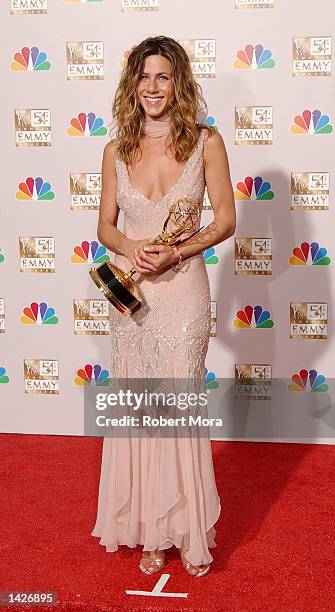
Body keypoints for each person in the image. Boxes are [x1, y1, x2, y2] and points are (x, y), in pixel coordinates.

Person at [91, 35, 236, 577]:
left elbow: (224, 219)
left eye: (163, 77)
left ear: (179, 83)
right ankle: (152, 530)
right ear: (133, 85)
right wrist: (131, 247)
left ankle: (187, 528)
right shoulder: (114, 149)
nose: (152, 87)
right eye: (144, 77)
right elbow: (105, 224)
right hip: (134, 297)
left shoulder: (207, 142)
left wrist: (175, 250)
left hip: (184, 294)